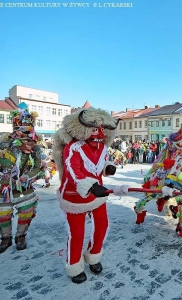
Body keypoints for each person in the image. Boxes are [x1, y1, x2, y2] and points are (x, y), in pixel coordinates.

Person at [53, 108, 118, 284]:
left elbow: (101, 162)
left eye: (103, 129)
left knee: (103, 225)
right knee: (77, 233)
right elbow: (74, 172)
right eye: (96, 129)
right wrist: (90, 186)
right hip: (75, 196)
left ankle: (94, 255)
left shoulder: (103, 147)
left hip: (98, 194)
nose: (100, 133)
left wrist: (108, 167)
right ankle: (74, 265)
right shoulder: (73, 147)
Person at [0, 103, 44, 253]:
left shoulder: (35, 149)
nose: (28, 142)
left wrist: (28, 176)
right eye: (24, 138)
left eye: (29, 138)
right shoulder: (5, 144)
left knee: (27, 211)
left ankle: (21, 237)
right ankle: (5, 239)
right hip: (3, 188)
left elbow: (38, 168)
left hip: (24, 188)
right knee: (3, 215)